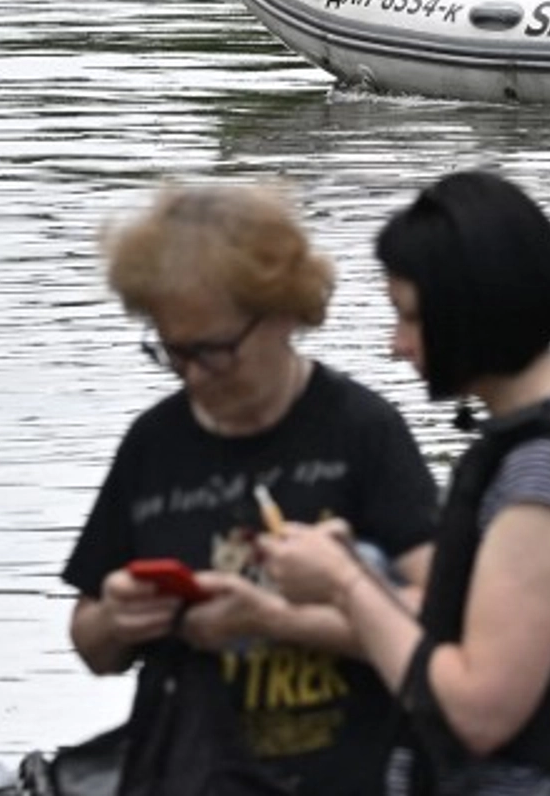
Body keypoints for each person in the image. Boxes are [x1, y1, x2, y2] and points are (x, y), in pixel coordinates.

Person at [257, 170, 550, 796]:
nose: (397, 346)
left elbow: (478, 711)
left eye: (410, 319)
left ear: (468, 312)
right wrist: (351, 573)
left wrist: (345, 583)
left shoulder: (547, 472)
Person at [64, 181, 442, 796]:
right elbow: (91, 645)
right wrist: (116, 616)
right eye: (172, 352)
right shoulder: (152, 445)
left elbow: (440, 624)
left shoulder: (361, 431)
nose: (194, 376)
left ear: (285, 311)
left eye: (214, 351)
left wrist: (278, 619)